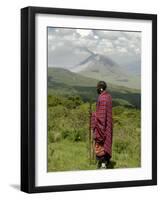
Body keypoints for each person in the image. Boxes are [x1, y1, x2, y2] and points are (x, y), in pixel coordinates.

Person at [91, 81, 113, 169]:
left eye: (97, 87)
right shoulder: (108, 97)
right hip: (108, 125)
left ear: (100, 88)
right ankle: (106, 162)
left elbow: (101, 116)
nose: (96, 89)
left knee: (101, 143)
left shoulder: (102, 98)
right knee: (107, 142)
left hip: (102, 126)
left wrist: (93, 115)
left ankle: (103, 165)